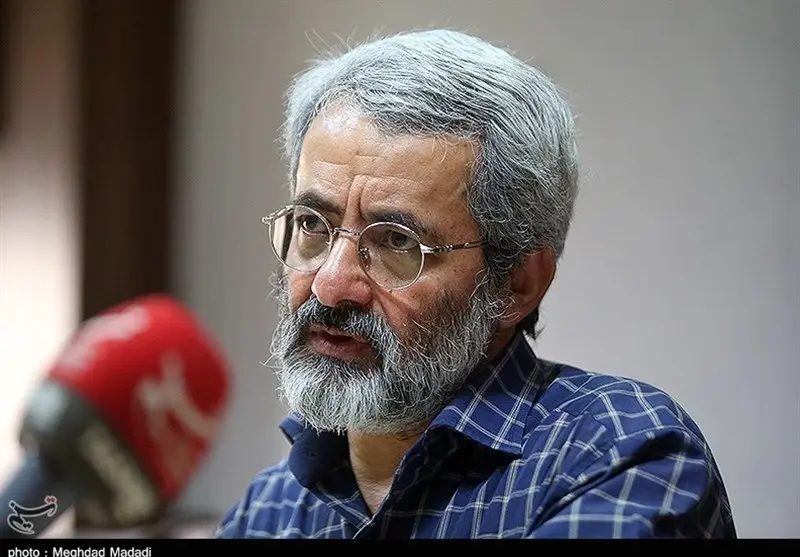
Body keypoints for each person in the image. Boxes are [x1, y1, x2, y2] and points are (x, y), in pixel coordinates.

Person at [215, 29, 737, 539]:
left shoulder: (620, 452)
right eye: (312, 225)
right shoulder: (269, 511)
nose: (330, 285)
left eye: (397, 242)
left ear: (515, 284)